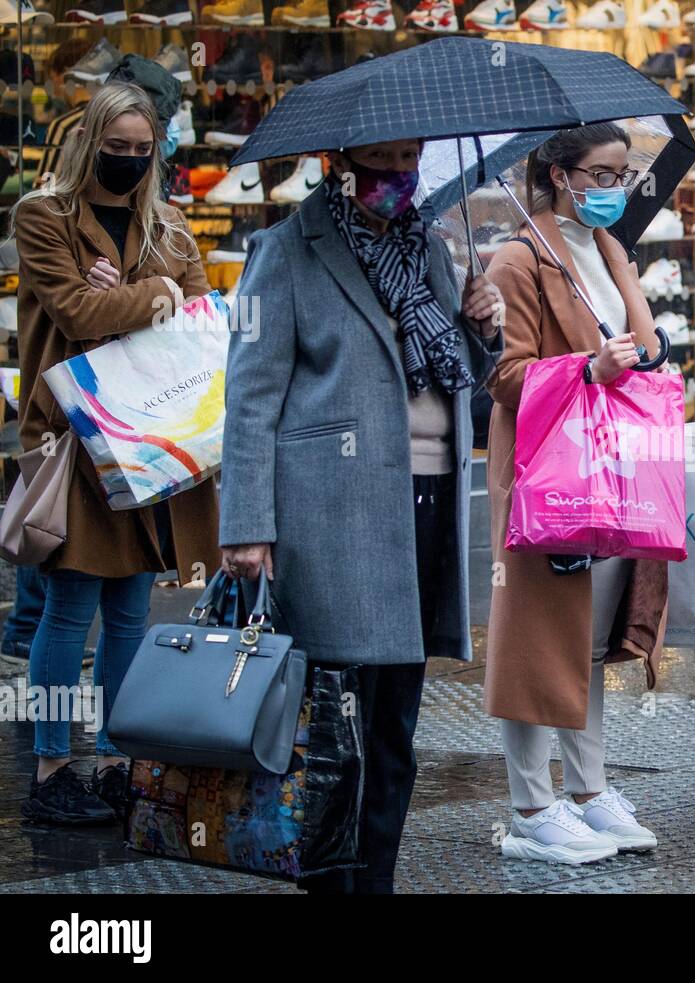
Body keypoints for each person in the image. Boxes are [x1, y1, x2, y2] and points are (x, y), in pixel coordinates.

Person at [219, 136, 502, 893]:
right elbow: (247, 396)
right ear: (339, 163)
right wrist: (246, 523)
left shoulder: (433, 249)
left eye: (410, 161)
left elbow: (461, 378)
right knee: (334, 732)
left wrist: (482, 326)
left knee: (394, 733)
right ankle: (330, 883)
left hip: (428, 505)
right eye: (383, 164)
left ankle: (375, 878)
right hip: (334, 517)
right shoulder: (283, 252)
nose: (399, 178)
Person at [13, 82, 219, 825]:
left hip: (149, 434)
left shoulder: (168, 226)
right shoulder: (42, 216)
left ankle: (112, 757)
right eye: (117, 148)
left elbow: (195, 320)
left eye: (142, 151)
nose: (129, 161)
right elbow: (75, 311)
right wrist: (154, 291)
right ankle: (51, 766)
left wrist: (135, 289)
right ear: (89, 141)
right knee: (68, 608)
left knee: (132, 606)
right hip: (72, 438)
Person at [484, 124, 669, 864]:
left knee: (587, 638)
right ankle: (531, 805)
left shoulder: (612, 250)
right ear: (560, 175)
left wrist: (643, 351)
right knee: (536, 637)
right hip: (547, 469)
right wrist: (588, 369)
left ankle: (588, 791)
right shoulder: (518, 257)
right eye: (602, 173)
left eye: (623, 174)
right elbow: (502, 377)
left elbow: (642, 340)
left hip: (614, 463)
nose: (614, 188)